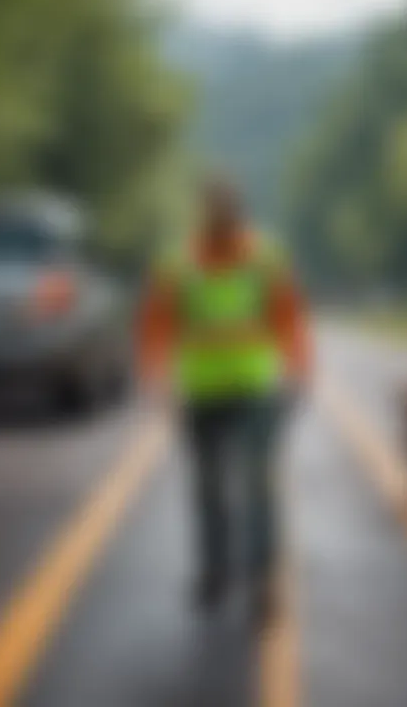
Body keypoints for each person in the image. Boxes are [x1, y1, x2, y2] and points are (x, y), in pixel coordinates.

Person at [137, 178, 312, 624]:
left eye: (228, 211)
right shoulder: (178, 262)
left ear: (239, 212)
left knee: (257, 485)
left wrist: (298, 369)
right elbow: (157, 324)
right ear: (204, 214)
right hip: (201, 391)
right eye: (215, 211)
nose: (223, 220)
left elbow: (289, 315)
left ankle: (261, 581)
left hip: (256, 387)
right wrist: (157, 377)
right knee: (209, 487)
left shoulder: (266, 256)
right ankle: (215, 571)